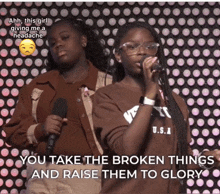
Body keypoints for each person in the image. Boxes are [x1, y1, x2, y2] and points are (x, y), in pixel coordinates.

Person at [92, 21, 220, 194]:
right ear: (118, 55)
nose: (143, 51)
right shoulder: (107, 96)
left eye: (150, 46)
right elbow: (127, 150)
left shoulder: (175, 101)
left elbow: (180, 165)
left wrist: (206, 161)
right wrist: (150, 93)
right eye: (132, 46)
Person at [4, 18, 111, 194]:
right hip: (42, 173)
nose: (58, 45)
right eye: (52, 43)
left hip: (85, 175)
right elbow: (13, 132)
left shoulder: (107, 85)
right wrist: (41, 129)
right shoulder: (38, 86)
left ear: (83, 41)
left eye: (65, 37)